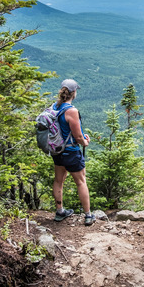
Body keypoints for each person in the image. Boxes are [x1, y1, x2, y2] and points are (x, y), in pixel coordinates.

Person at [51, 79, 95, 226]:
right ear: (73, 93)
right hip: (71, 152)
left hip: (57, 151)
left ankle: (60, 211)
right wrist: (86, 141)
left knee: (58, 181)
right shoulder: (72, 111)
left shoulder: (55, 107)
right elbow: (77, 137)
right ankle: (88, 215)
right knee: (81, 182)